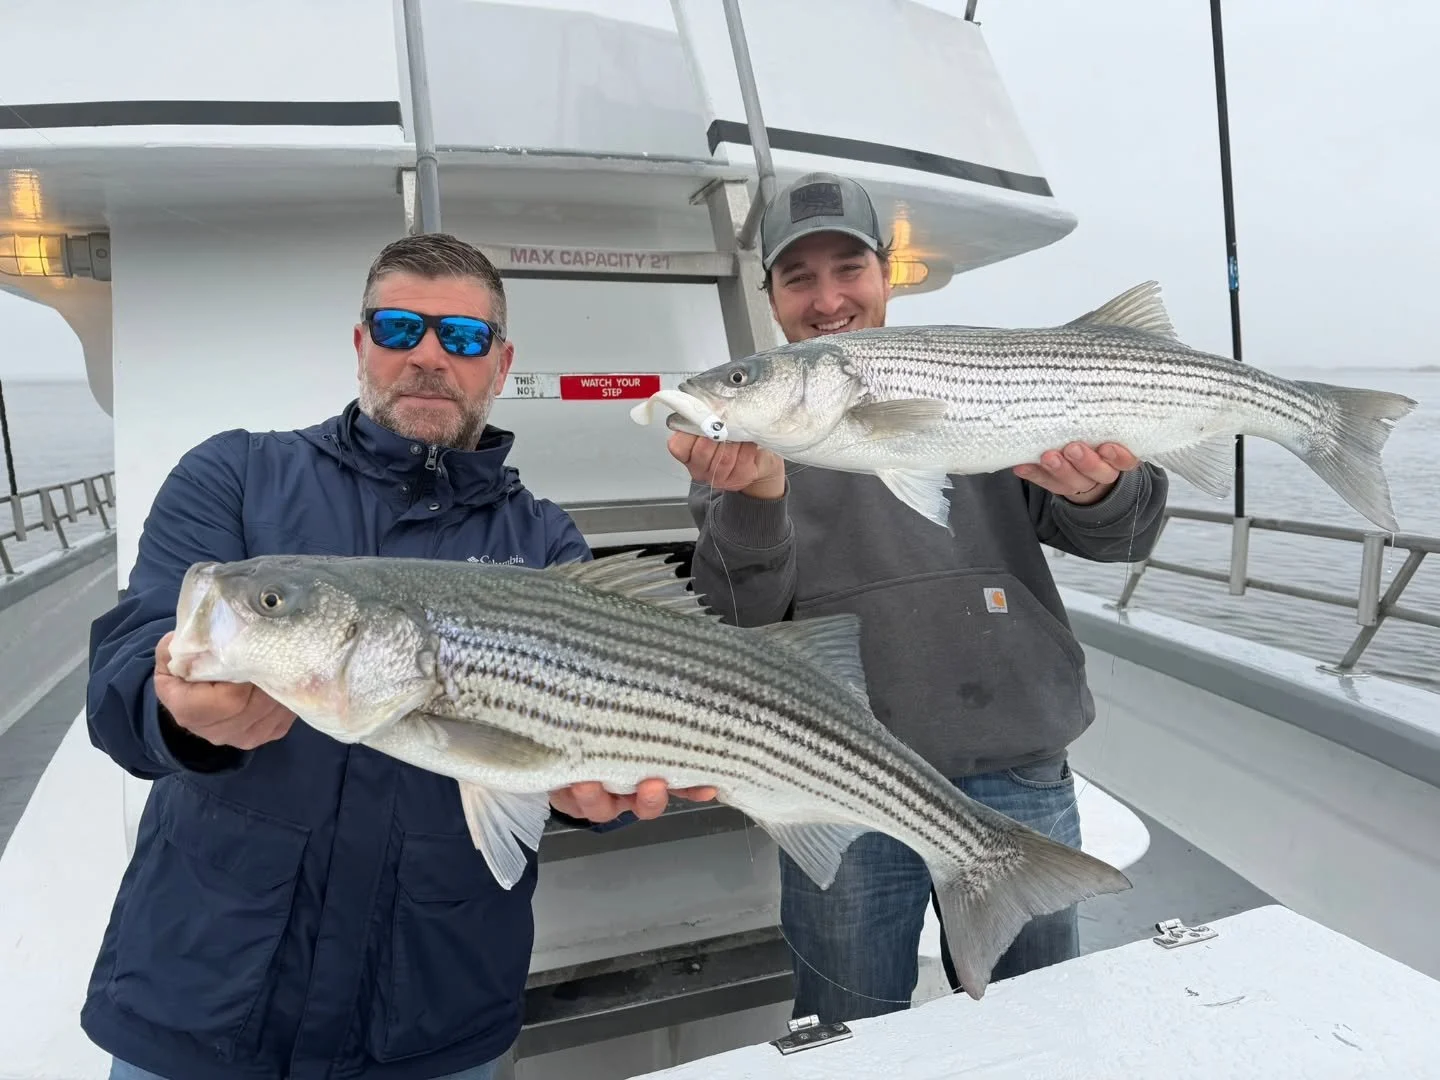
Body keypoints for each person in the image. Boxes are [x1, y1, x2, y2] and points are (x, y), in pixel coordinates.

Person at [82, 232, 713, 1080]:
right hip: (202, 999)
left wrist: (572, 794)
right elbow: (127, 673)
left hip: (430, 1017)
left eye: (461, 338)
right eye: (398, 328)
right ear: (360, 344)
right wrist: (178, 714)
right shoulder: (234, 476)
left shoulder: (543, 538)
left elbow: (542, 761)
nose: (427, 356)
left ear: (498, 361)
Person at [666, 172, 1169, 1022]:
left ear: (885, 275)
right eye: (799, 278)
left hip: (1017, 763)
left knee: (1041, 1021)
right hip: (838, 778)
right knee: (848, 1027)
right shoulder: (742, 439)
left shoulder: (977, 386)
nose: (828, 299)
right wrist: (754, 503)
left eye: (848, 269)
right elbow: (739, 617)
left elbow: (1120, 541)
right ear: (773, 299)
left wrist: (1099, 492)